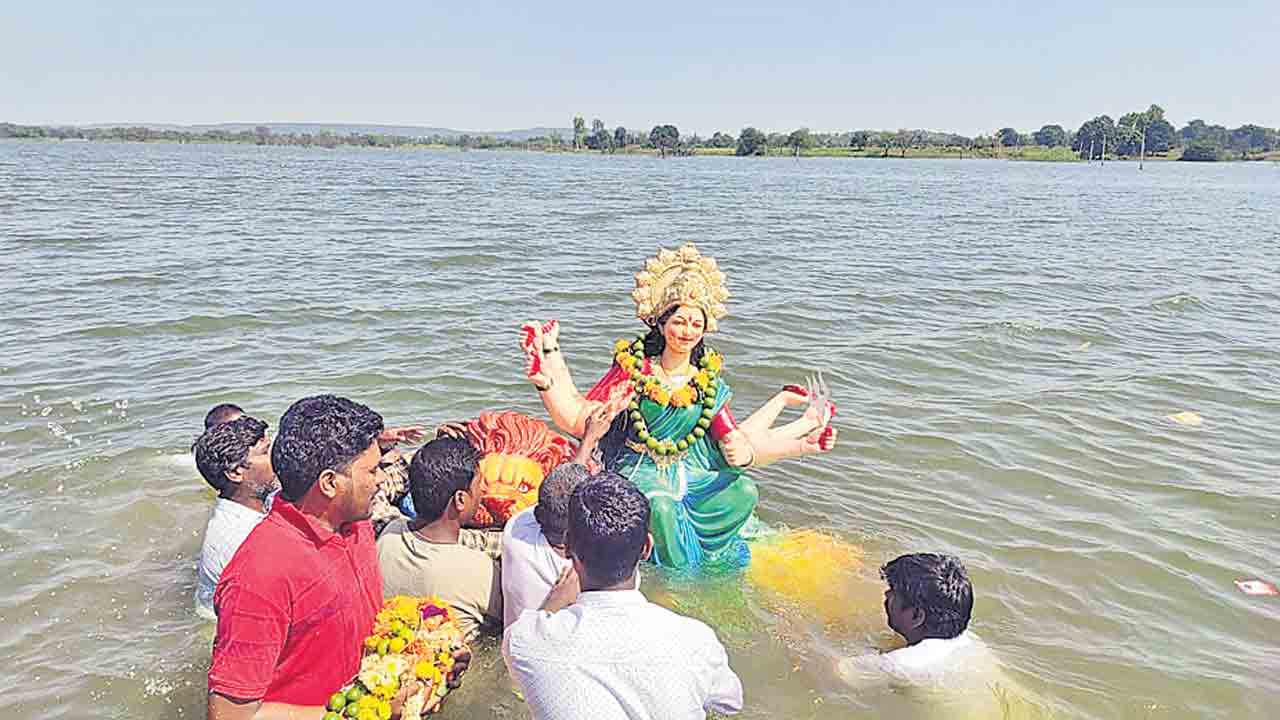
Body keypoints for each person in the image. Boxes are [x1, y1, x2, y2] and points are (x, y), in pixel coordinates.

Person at [519, 242, 837, 569]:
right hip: (641, 469)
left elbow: (737, 446)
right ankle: (677, 579)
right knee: (663, 509)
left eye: (696, 324)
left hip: (690, 472)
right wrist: (548, 371)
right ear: (661, 323)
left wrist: (801, 440)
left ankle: (707, 561)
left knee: (744, 491)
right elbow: (579, 418)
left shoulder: (706, 381)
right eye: (680, 322)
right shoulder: (636, 371)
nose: (687, 332)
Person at [503, 472, 744, 720]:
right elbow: (730, 704)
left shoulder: (525, 641)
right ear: (646, 548)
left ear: (568, 546)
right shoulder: (697, 641)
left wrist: (555, 601)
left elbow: (519, 645)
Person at [207, 394, 391, 718]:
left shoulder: (355, 525)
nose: (381, 479)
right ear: (330, 483)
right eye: (373, 470)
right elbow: (230, 714)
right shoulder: (259, 576)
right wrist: (355, 714)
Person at [499, 402, 614, 628]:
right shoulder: (576, 573)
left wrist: (588, 440)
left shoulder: (517, 527)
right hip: (543, 642)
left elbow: (561, 490)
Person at [377, 435, 503, 641]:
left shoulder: (389, 533)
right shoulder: (482, 569)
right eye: (479, 485)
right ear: (460, 499)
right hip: (452, 657)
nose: (482, 492)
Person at [836, 553, 998, 689]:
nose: (886, 595)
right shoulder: (972, 642)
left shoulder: (900, 665)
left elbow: (836, 676)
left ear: (916, 616)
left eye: (893, 592)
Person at [191, 415, 277, 619]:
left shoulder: (253, 503)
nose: (277, 457)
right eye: (265, 452)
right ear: (236, 472)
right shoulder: (240, 538)